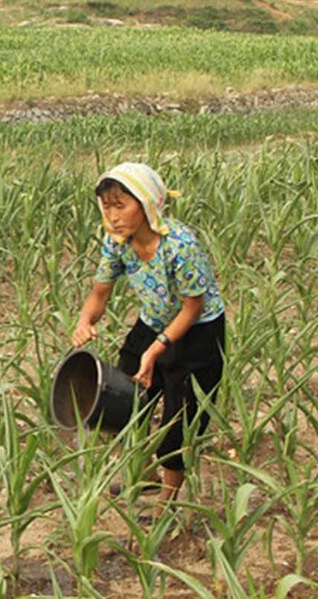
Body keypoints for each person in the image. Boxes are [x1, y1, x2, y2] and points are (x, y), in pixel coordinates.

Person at [71, 163, 226, 513]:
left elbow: (192, 307)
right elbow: (99, 292)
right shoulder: (117, 243)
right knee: (125, 397)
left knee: (178, 420)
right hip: (152, 322)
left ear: (147, 203)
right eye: (106, 206)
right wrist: (84, 321)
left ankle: (165, 506)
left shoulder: (180, 245)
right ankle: (143, 471)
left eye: (120, 205)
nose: (112, 216)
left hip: (197, 333)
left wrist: (156, 350)